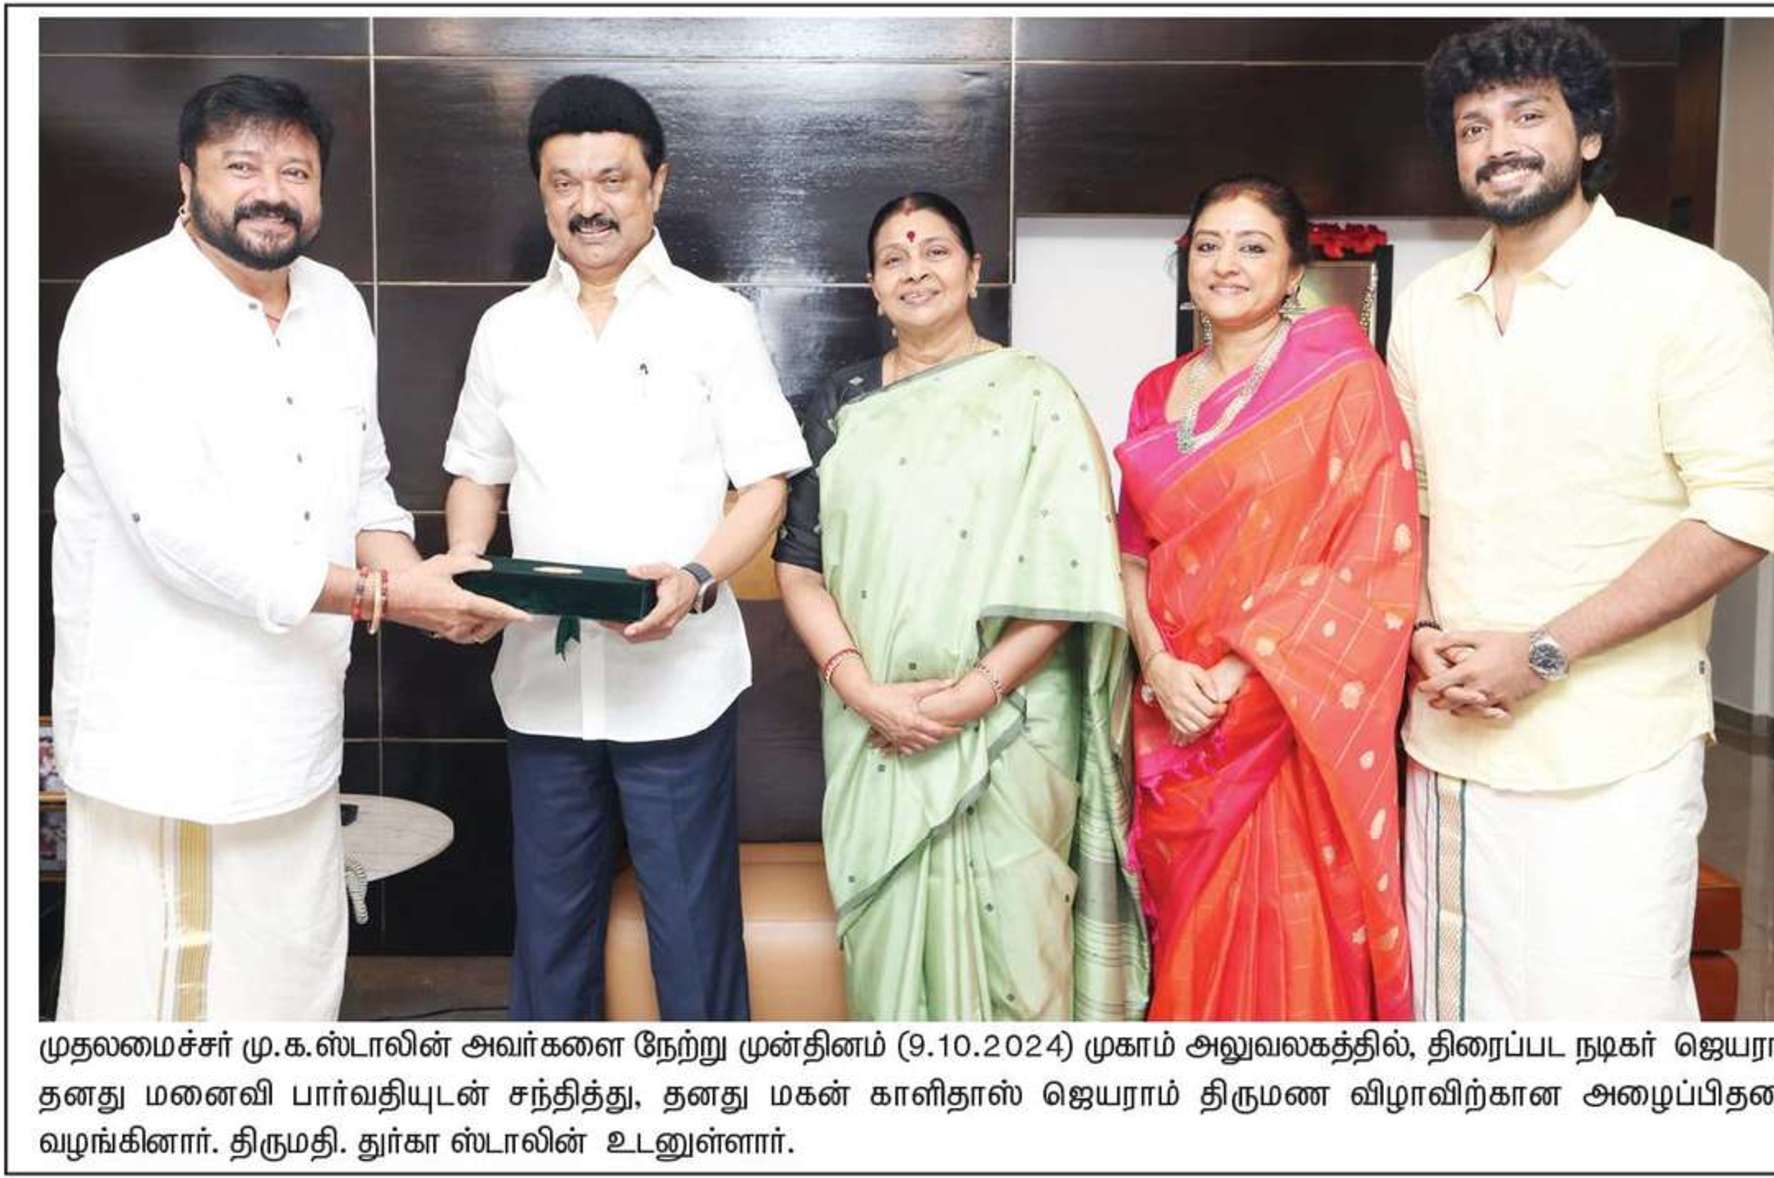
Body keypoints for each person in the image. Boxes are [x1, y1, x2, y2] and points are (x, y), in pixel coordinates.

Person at [51, 74, 524, 1021]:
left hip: (298, 727)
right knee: (170, 1004)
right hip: (170, 737)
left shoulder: (335, 303)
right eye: (242, 167)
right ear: (187, 179)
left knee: (293, 982)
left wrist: (426, 589)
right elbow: (174, 532)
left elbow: (363, 483)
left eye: (295, 171)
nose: (270, 192)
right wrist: (392, 600)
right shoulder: (126, 301)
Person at [1393, 19, 1774, 1020]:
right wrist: (1417, 629)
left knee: (1605, 1030)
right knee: (1455, 1022)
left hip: (1608, 754)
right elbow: (1409, 501)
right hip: (1447, 744)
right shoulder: (1429, 305)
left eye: (1527, 116)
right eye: (1473, 127)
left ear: (1589, 134)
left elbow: (1745, 509)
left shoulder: (1689, 290)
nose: (1499, 144)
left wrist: (1542, 652)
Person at [442, 75, 810, 1021]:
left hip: (679, 682)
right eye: (564, 182)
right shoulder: (506, 329)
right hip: (544, 682)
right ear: (542, 192)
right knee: (551, 930)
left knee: (692, 931)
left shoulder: (714, 318)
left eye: (612, 179)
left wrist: (696, 577)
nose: (588, 204)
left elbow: (767, 483)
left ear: (657, 185)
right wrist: (466, 566)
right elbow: (475, 476)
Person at [773, 192, 1148, 1021]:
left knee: (1022, 956)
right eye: (894, 259)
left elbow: (1073, 575)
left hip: (1014, 723)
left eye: (935, 251)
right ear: (873, 286)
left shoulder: (1037, 395)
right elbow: (800, 567)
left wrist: (971, 695)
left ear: (975, 272)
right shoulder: (842, 403)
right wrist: (861, 690)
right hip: (876, 725)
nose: (916, 271)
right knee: (888, 966)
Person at [1115, 175, 1417, 1021]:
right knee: (1189, 937)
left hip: (1284, 713)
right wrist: (1159, 666)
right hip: (1175, 707)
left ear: (1294, 273)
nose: (1226, 264)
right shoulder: (1155, 390)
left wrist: (1241, 677)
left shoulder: (1344, 379)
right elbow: (1130, 553)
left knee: (1285, 939)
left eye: (1253, 247)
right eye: (1208, 245)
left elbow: (1369, 561)